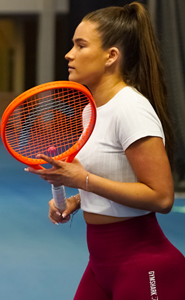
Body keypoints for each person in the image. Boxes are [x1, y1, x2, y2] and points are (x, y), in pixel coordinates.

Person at [26, 2, 185, 299]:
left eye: (80, 45)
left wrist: (83, 181)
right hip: (101, 265)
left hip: (143, 266)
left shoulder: (131, 108)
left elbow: (162, 197)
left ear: (111, 56)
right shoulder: (91, 111)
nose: (69, 54)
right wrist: (76, 198)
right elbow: (113, 177)